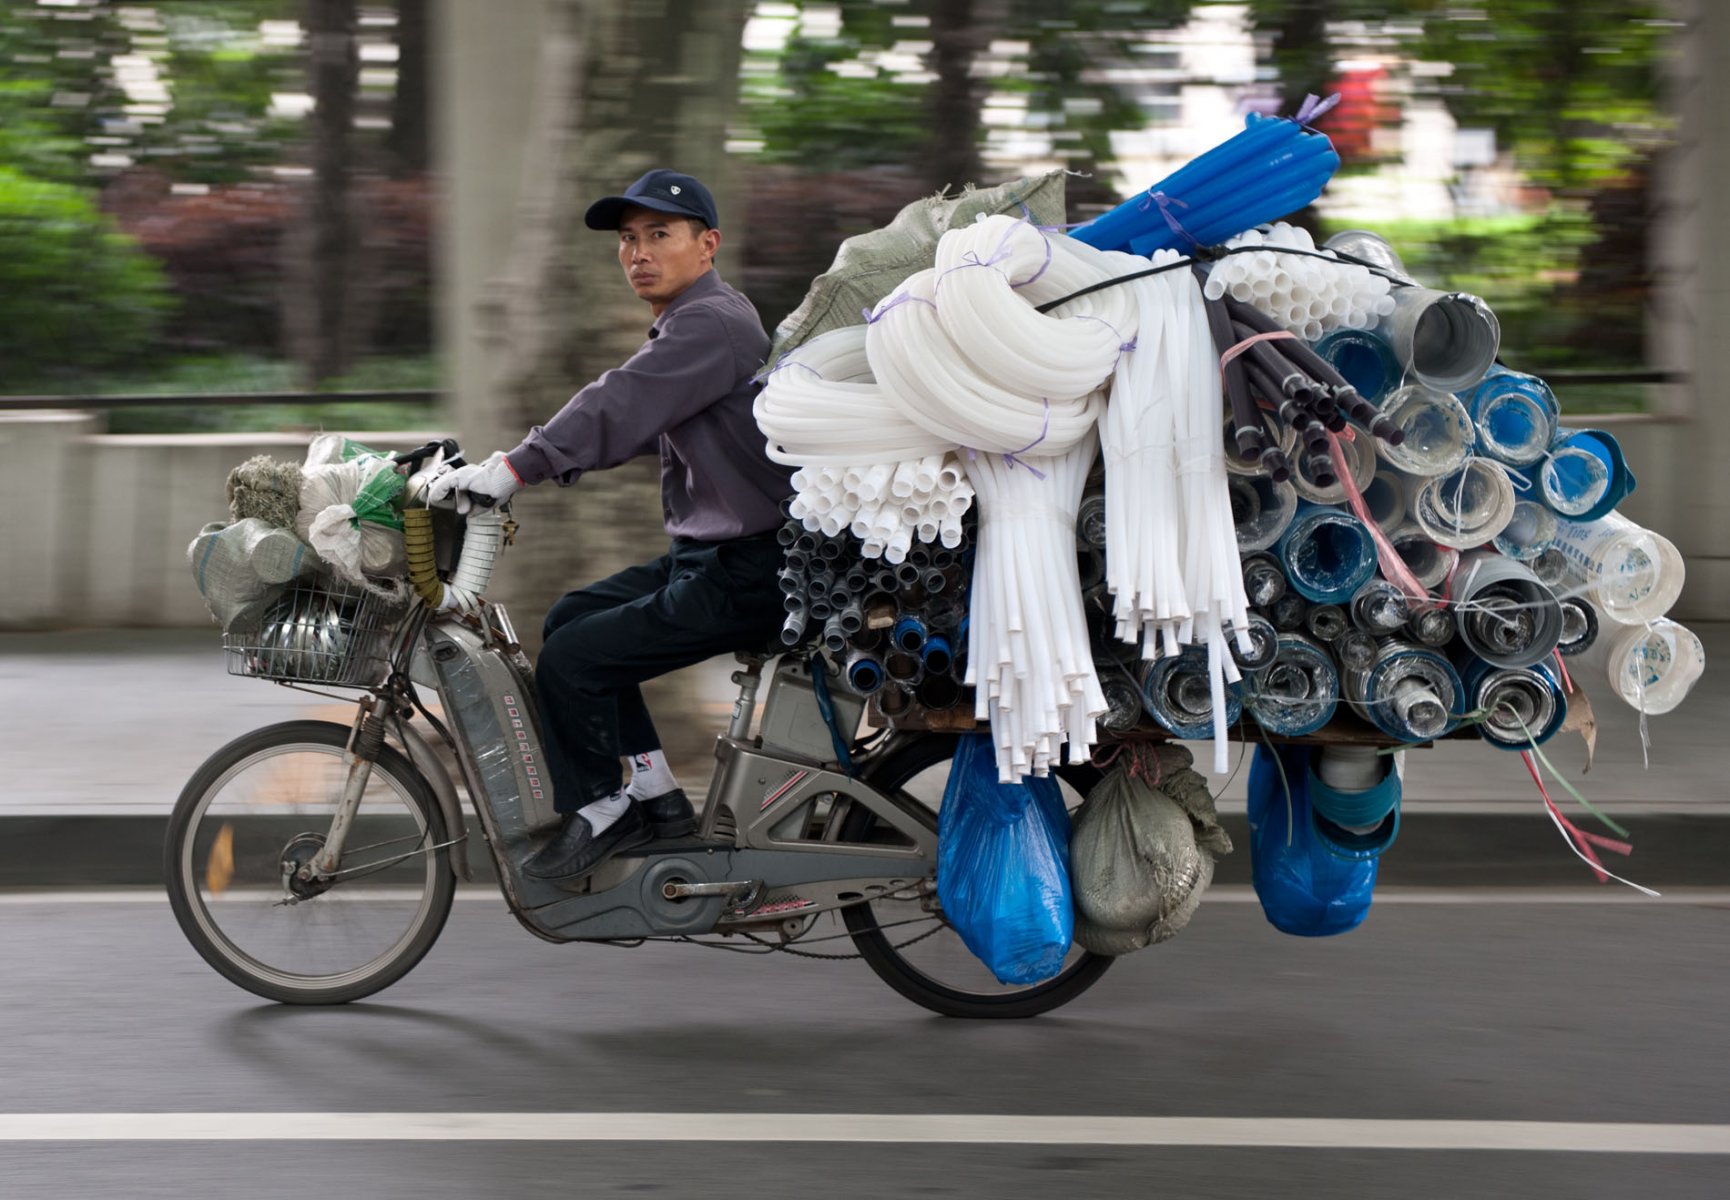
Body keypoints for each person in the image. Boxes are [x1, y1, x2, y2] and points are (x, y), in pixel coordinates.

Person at [427, 168, 791, 885]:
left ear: (707, 244)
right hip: (712, 557)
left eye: (658, 235)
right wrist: (536, 466)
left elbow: (619, 401)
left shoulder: (711, 325)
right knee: (571, 619)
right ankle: (656, 795)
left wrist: (517, 467)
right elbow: (629, 421)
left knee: (578, 660)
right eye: (627, 240)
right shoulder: (696, 323)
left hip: (753, 570)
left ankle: (602, 808)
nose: (636, 253)